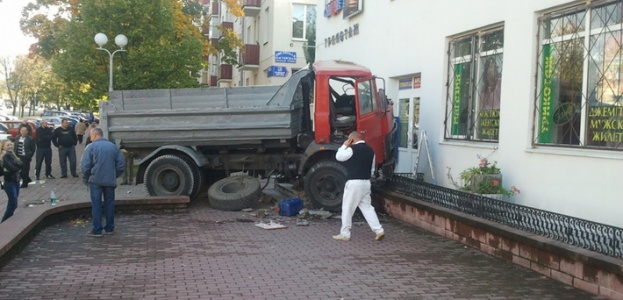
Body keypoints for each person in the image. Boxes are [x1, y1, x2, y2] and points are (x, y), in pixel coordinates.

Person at [332, 131, 385, 241]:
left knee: (347, 208)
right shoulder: (371, 151)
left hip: (353, 183)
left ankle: (345, 233)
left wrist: (344, 145)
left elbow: (339, 157)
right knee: (367, 208)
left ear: (351, 139)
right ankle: (379, 230)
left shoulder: (352, 149)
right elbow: (372, 169)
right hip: (366, 182)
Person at [81, 127, 125, 237]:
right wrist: (114, 175)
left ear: (95, 135)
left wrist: (87, 177)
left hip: (95, 180)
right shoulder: (113, 147)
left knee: (96, 205)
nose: (90, 139)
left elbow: (85, 166)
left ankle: (97, 230)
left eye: (91, 136)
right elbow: (121, 165)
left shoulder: (90, 147)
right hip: (109, 180)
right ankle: (110, 228)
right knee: (109, 204)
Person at [1, 140, 23, 223]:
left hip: (16, 181)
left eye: (11, 145)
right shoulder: (5, 156)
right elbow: (12, 168)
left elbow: (21, 164)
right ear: (3, 147)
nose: (10, 146)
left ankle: (8, 221)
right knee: (13, 203)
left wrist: (17, 166)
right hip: (9, 183)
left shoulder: (12, 154)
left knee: (13, 203)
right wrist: (17, 167)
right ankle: (4, 222)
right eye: (7, 145)